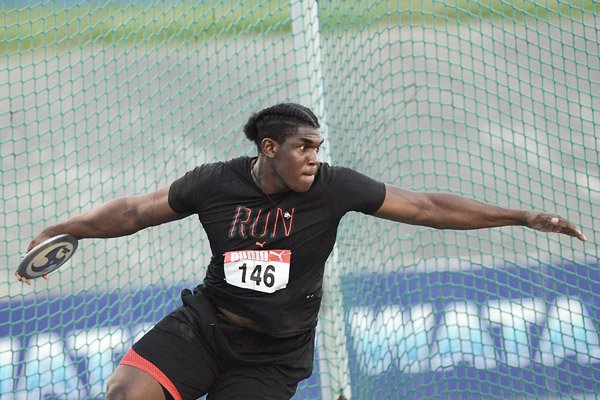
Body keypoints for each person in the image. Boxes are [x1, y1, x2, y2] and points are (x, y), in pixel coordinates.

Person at [16, 102, 586, 400]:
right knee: (124, 392)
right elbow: (135, 212)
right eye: (304, 147)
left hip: (273, 353)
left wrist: (523, 216)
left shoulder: (335, 188)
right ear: (271, 148)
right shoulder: (215, 183)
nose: (315, 156)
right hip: (207, 325)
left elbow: (428, 208)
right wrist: (65, 228)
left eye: (319, 147)